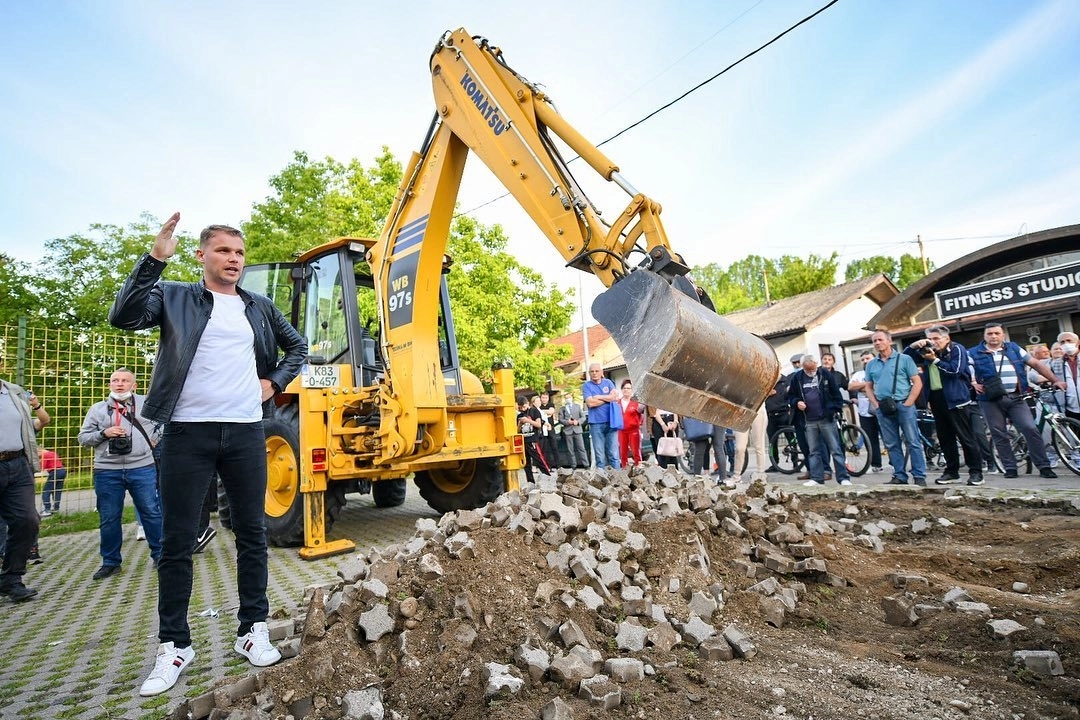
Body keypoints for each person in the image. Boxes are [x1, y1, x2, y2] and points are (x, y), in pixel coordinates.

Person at [110, 214, 307, 697]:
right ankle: (175, 645)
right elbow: (124, 316)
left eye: (239, 253)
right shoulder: (175, 296)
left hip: (245, 433)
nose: (233, 259)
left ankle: (252, 629)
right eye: (223, 251)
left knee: (252, 534)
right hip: (186, 434)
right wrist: (155, 259)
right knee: (177, 542)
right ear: (202, 256)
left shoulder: (258, 307)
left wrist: (274, 381)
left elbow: (298, 347)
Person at [78, 368, 164, 580]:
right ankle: (110, 562)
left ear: (133, 385)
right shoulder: (98, 410)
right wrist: (103, 433)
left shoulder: (146, 404)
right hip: (107, 471)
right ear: (109, 384)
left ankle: (161, 556)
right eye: (115, 380)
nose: (119, 383)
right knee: (109, 517)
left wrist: (154, 439)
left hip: (142, 467)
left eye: (125, 380)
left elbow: (166, 422)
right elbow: (83, 438)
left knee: (151, 512)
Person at [969, 322, 1064, 479]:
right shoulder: (973, 352)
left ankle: (1043, 466)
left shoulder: (1013, 348)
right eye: (990, 333)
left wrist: (1054, 380)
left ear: (1002, 335)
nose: (993, 336)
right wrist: (973, 382)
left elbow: (1035, 364)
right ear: (984, 336)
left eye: (997, 333)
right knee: (999, 434)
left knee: (1030, 429)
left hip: (1016, 397)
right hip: (989, 400)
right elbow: (967, 370)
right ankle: (1010, 467)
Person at [904, 325, 984, 486]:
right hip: (935, 399)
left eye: (936, 339)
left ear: (947, 339)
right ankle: (952, 472)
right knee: (945, 439)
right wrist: (912, 347)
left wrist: (935, 360)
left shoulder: (957, 349)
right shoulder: (925, 352)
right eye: (930, 339)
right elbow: (904, 360)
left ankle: (976, 472)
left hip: (956, 399)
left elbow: (955, 371)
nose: (933, 343)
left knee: (966, 437)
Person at [0, 378, 49, 602]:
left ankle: (11, 579)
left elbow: (35, 425)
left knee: (27, 520)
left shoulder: (14, 392)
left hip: (18, 464)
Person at [864, 329, 926, 486]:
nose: (877, 343)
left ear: (889, 340)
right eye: (874, 341)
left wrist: (908, 403)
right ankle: (899, 475)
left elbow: (917, 382)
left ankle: (919, 476)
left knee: (913, 441)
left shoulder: (904, 359)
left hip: (903, 403)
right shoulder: (871, 364)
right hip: (883, 407)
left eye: (880, 339)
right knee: (891, 443)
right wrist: (875, 404)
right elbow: (868, 386)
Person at [787, 355, 851, 486]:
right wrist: (797, 402)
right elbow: (790, 396)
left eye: (813, 370)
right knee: (813, 451)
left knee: (836, 450)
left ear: (816, 365)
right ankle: (816, 478)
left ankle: (843, 478)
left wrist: (832, 410)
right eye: (807, 370)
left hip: (826, 419)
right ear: (802, 366)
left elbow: (836, 396)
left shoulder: (825, 374)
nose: (811, 373)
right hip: (808, 420)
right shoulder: (797, 378)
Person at [847, 350, 883, 473]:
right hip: (864, 411)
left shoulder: (880, 370)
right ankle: (876, 464)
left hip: (880, 408)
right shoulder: (858, 374)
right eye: (862, 359)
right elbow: (851, 387)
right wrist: (868, 384)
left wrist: (862, 386)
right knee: (870, 439)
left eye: (867, 358)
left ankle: (895, 464)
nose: (865, 361)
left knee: (888, 438)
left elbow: (880, 385)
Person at [581, 363, 620, 470]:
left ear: (601, 372)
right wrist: (607, 398)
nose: (594, 373)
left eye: (596, 371)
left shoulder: (608, 382)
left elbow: (614, 398)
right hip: (595, 423)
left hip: (611, 422)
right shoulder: (586, 386)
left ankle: (619, 480)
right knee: (600, 457)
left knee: (614, 455)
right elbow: (590, 403)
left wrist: (598, 397)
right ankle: (601, 481)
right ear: (589, 373)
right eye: (592, 371)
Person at [731, 403, 769, 486]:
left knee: (759, 445)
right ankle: (736, 476)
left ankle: (761, 474)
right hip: (741, 409)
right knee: (739, 448)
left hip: (758, 409)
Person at [517, 395, 550, 482]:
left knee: (539, 460)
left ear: (527, 404)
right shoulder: (519, 415)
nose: (523, 409)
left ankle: (547, 477)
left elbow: (539, 425)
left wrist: (528, 421)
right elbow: (517, 431)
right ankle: (530, 481)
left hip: (533, 440)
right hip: (524, 441)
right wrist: (520, 424)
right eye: (520, 407)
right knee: (526, 464)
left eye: (524, 407)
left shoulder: (534, 411)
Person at [1048, 331, 1079, 423]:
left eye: (1069, 341)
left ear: (1077, 343)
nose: (1066, 344)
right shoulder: (1056, 363)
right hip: (1071, 409)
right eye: (1062, 342)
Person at [616, 379, 644, 467]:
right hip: (621, 430)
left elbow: (642, 415)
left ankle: (639, 469)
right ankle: (624, 469)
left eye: (628, 388)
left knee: (636, 452)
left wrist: (639, 425)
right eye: (624, 388)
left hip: (634, 430)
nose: (626, 390)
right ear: (621, 389)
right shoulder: (618, 402)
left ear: (632, 390)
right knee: (623, 452)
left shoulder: (636, 402)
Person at [559, 392, 589, 469]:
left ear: (572, 398)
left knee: (581, 448)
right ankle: (573, 465)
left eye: (569, 397)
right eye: (566, 398)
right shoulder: (562, 409)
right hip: (568, 431)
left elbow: (583, 417)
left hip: (577, 430)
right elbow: (560, 420)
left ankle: (586, 464)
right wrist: (567, 422)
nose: (568, 399)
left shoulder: (578, 406)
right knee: (570, 450)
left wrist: (578, 422)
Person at [536, 391, 562, 470]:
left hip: (550, 429)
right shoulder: (539, 406)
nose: (544, 399)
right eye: (542, 397)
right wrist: (545, 412)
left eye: (546, 398)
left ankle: (558, 466)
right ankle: (548, 466)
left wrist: (542, 412)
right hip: (542, 429)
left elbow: (551, 411)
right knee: (545, 448)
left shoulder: (551, 404)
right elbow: (538, 413)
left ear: (548, 398)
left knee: (554, 447)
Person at [38, 447, 67, 515]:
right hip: (62, 471)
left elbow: (42, 467)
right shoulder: (53, 453)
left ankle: (47, 509)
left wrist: (39, 462)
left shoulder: (45, 455)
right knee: (57, 491)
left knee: (46, 491)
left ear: (39, 451)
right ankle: (56, 509)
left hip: (55, 472)